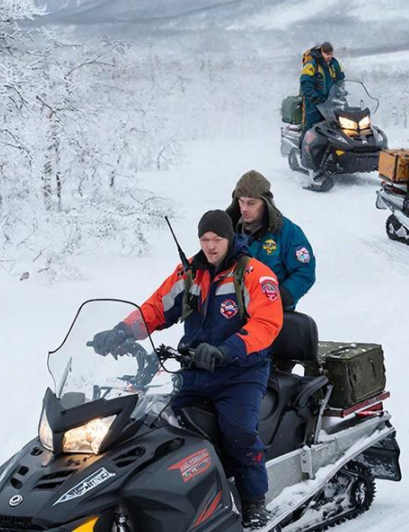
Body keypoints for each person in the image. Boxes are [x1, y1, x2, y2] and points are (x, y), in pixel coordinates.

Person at [89, 210, 283, 529]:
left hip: (240, 374)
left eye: (216, 239)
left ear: (229, 238)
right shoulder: (190, 274)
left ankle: (253, 501)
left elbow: (267, 324)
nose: (210, 246)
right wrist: (121, 331)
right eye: (204, 239)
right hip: (194, 370)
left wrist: (226, 349)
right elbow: (155, 308)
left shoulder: (253, 274)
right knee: (153, 420)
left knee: (238, 432)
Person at [225, 170, 316, 310]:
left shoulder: (287, 232)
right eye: (241, 201)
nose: (244, 209)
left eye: (251, 203)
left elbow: (304, 271)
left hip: (273, 313)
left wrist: (279, 298)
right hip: (232, 311)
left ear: (265, 203)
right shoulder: (228, 230)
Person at [299, 41, 345, 135]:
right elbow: (305, 83)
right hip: (314, 105)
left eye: (331, 54)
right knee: (309, 129)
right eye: (326, 54)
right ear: (321, 52)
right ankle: (302, 148)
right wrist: (313, 95)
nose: (329, 56)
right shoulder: (311, 66)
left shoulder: (335, 65)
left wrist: (341, 92)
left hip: (331, 104)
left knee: (338, 128)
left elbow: (340, 80)